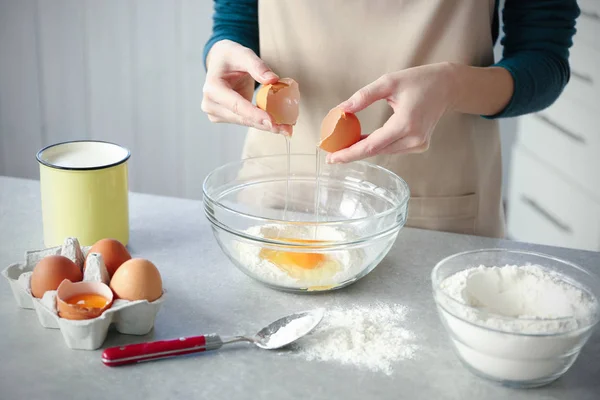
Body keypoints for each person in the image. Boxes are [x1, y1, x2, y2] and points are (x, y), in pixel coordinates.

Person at [201, 0, 580, 238]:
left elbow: (543, 60)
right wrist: (222, 54)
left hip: (434, 200)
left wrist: (453, 85)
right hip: (277, 190)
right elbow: (238, 18)